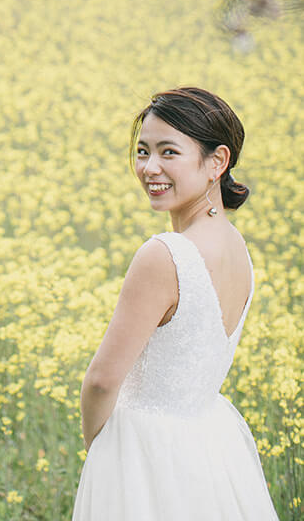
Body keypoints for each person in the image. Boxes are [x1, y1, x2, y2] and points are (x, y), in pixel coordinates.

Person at [71, 87, 280, 520]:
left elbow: (101, 381)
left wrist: (101, 452)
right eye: (143, 151)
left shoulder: (164, 255)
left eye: (169, 152)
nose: (149, 168)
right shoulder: (237, 246)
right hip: (210, 447)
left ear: (216, 163)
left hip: (145, 454)